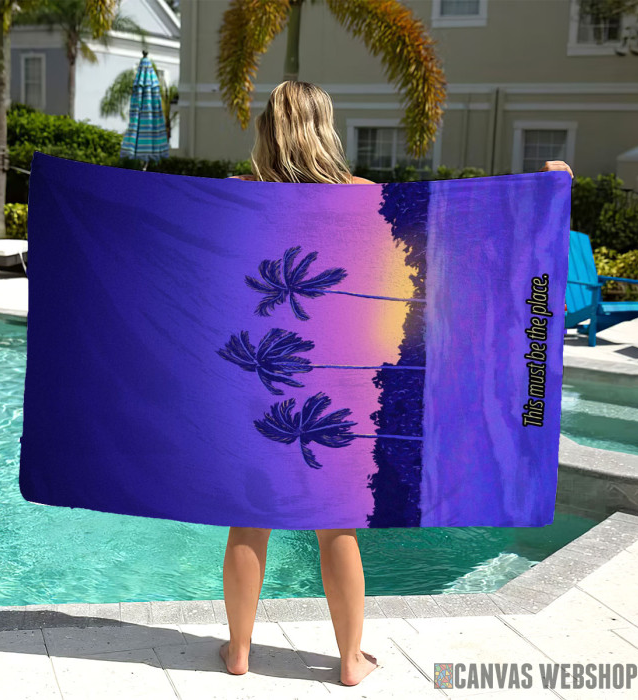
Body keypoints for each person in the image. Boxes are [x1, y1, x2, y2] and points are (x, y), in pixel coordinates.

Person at [221, 80, 573, 687]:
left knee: (249, 518)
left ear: (266, 129)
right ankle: (349, 660)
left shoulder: (235, 194)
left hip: (265, 371)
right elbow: (454, 235)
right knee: (336, 524)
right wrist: (544, 190)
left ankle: (239, 652)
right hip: (340, 379)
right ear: (325, 127)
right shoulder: (363, 195)